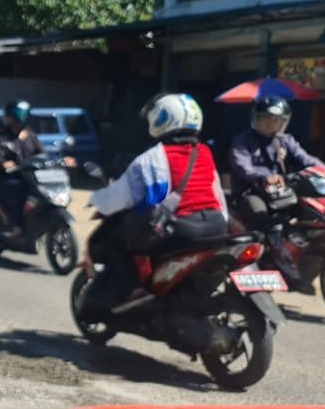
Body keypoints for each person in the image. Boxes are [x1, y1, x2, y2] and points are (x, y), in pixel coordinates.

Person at [85, 93, 227, 310]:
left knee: (116, 240)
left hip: (182, 228)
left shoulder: (154, 157)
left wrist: (96, 200)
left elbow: (123, 197)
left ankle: (134, 290)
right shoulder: (205, 152)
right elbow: (218, 193)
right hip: (216, 224)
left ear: (164, 119)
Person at [228, 96, 325, 291]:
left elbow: (307, 159)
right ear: (256, 119)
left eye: (276, 120)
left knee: (313, 214)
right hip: (251, 192)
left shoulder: (285, 141)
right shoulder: (242, 141)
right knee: (262, 217)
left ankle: (298, 257)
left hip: (282, 192)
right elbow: (243, 167)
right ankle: (266, 258)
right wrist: (264, 176)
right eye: (266, 118)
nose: (271, 124)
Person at [0, 100, 43, 231]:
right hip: (10, 177)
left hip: (30, 176)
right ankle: (16, 227)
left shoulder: (30, 134)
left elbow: (41, 153)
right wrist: (4, 163)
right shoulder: (4, 136)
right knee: (19, 192)